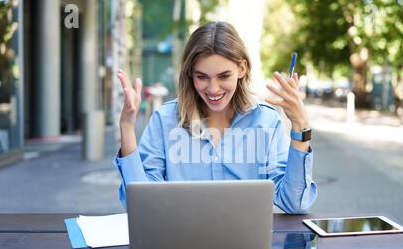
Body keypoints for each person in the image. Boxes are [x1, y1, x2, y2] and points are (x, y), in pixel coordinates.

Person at [114, 21, 317, 214]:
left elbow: (294, 203)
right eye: (202, 77)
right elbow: (140, 204)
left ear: (241, 69)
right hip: (180, 245)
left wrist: (301, 127)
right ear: (190, 75)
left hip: (246, 245)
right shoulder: (164, 120)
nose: (213, 89)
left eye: (223, 76)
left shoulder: (266, 122)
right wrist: (126, 126)